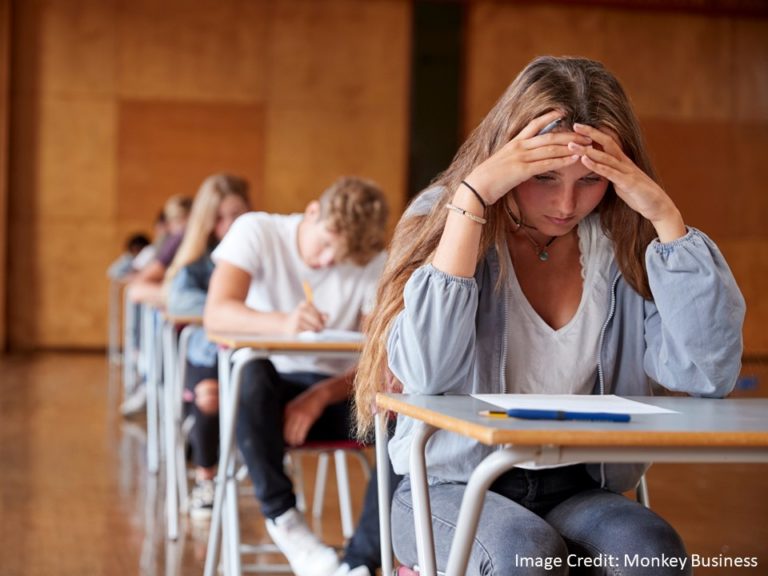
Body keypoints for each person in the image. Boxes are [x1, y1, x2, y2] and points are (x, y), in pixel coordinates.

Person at [353, 56, 745, 576]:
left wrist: (665, 217)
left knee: (654, 555)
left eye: (590, 181)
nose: (566, 203)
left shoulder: (622, 240)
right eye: (544, 177)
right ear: (504, 159)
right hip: (449, 487)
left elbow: (707, 374)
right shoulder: (443, 217)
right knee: (526, 555)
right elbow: (426, 374)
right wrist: (473, 197)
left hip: (579, 485)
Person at [204, 176, 390, 576]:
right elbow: (216, 313)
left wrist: (321, 395)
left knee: (402, 418)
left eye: (341, 258)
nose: (326, 263)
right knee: (251, 371)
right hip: (264, 398)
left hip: (335, 392)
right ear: (311, 212)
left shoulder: (371, 259)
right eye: (324, 245)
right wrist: (283, 322)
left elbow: (379, 358)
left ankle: (361, 560)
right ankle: (286, 521)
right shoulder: (257, 231)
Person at [164, 173, 250, 519]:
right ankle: (206, 478)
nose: (229, 224)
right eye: (221, 217)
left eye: (237, 214)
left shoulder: (256, 251)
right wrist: (230, 309)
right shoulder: (197, 263)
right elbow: (178, 302)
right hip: (207, 353)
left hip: (249, 349)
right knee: (210, 394)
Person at [121, 194, 193, 416]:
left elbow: (150, 275)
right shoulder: (178, 238)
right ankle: (150, 382)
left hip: (185, 306)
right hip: (184, 303)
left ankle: (150, 382)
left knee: (150, 308)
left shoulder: (179, 237)